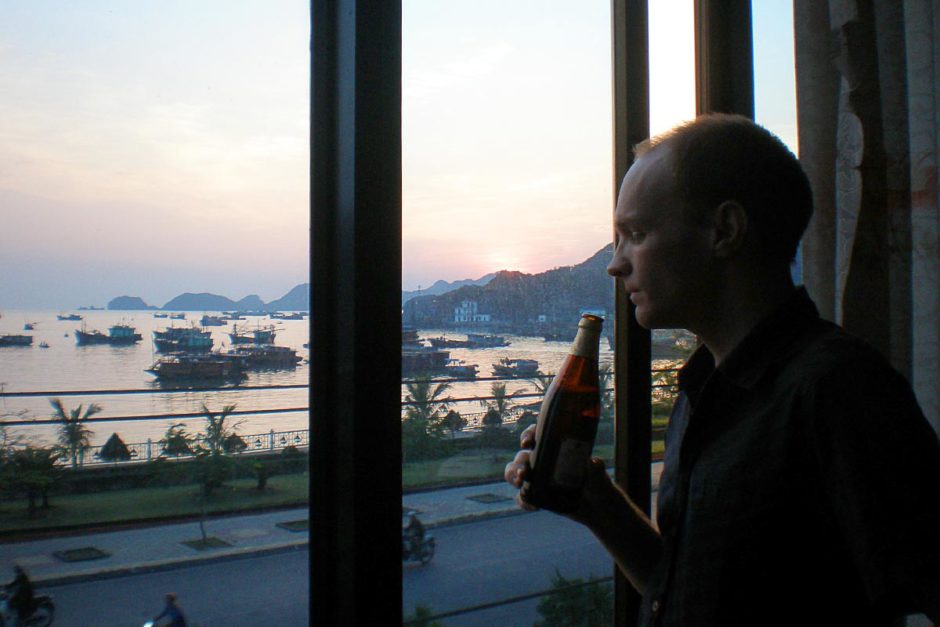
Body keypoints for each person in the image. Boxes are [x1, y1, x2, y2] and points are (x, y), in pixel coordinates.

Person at [505, 113, 940, 625]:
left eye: (636, 233)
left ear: (725, 230)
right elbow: (692, 594)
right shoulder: (704, 388)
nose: (615, 263)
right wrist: (598, 507)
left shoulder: (839, 390)